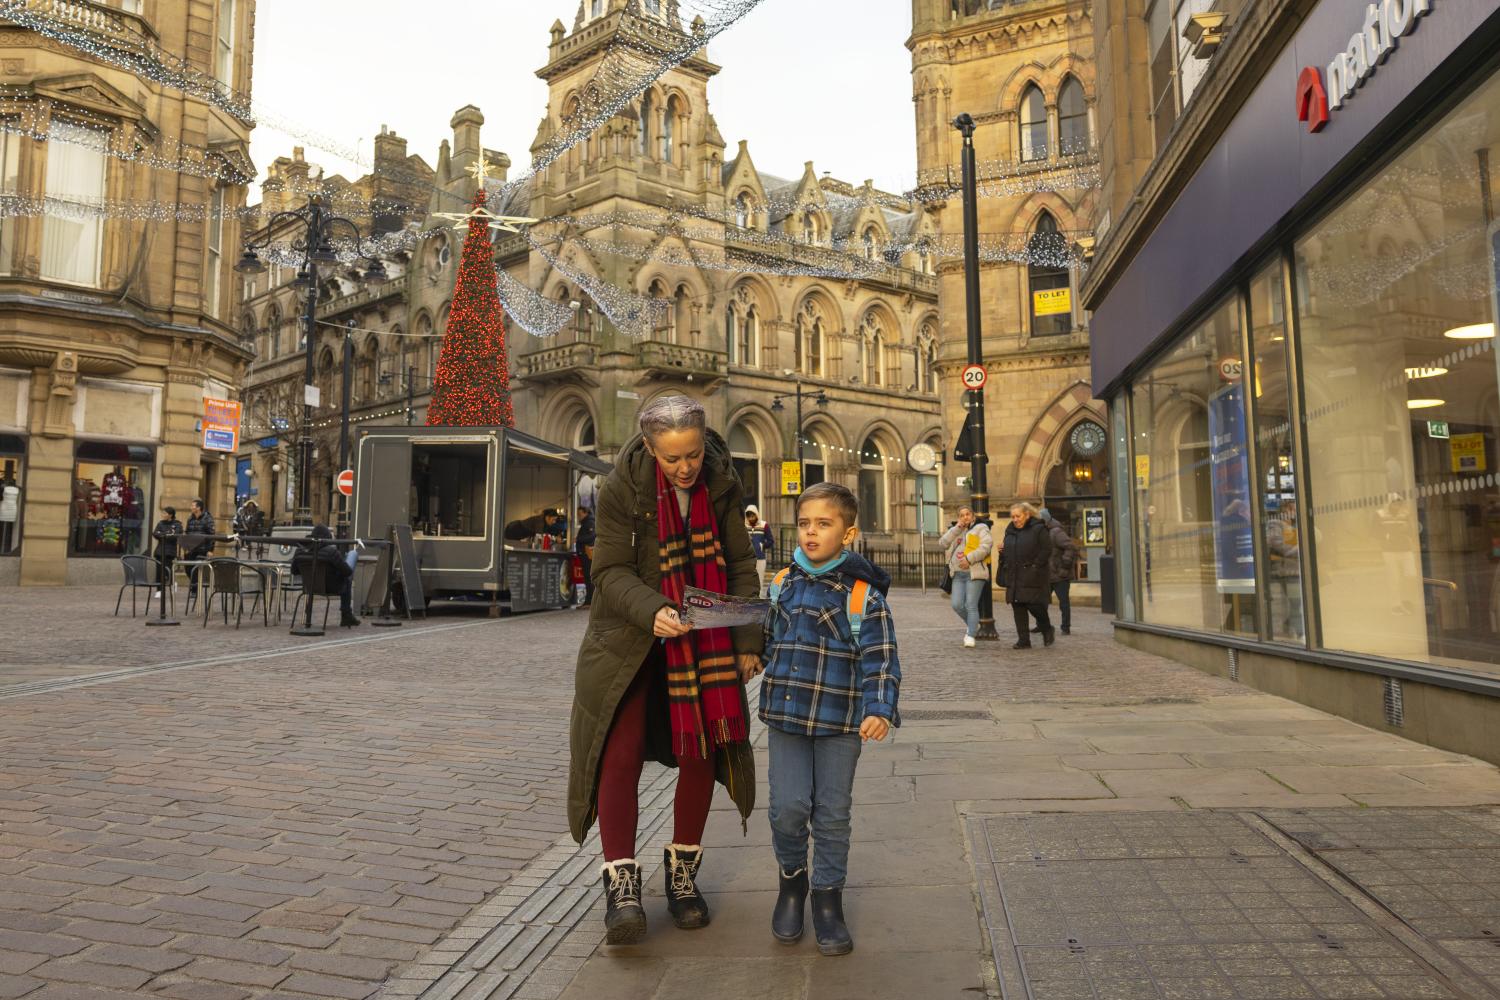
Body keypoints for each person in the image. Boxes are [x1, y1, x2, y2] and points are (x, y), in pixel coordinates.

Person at [566, 396, 761, 945]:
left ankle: (681, 878)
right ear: (650, 447)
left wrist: (748, 638)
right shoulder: (620, 487)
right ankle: (622, 887)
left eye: (693, 454)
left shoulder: (722, 482)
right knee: (619, 755)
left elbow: (740, 563)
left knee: (700, 751)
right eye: (673, 458)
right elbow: (608, 570)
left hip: (704, 639)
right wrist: (653, 609)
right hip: (628, 640)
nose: (685, 467)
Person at [760, 482, 900, 956]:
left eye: (824, 524)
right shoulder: (781, 584)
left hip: (841, 723)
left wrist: (879, 709)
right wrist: (745, 655)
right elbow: (766, 641)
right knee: (788, 809)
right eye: (804, 524)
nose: (811, 533)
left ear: (849, 532)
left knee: (833, 814)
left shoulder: (864, 597)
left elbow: (881, 660)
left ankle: (827, 898)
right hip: (786, 718)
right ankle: (792, 882)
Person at [999, 502, 1054, 648]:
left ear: (1027, 515)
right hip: (1014, 574)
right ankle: (1023, 640)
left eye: (1018, 516)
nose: (1015, 519)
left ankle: (1047, 628)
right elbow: (1008, 550)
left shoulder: (1038, 529)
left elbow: (1047, 549)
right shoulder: (1009, 531)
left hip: (1033, 574)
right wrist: (1002, 552)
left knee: (1034, 605)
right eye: (1013, 517)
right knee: (1018, 607)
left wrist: (1036, 566)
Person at [939, 506, 993, 647]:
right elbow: (943, 543)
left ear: (973, 516)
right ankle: (972, 625)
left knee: (970, 604)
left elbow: (986, 546)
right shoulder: (957, 531)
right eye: (962, 515)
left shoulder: (981, 528)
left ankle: (970, 635)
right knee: (956, 604)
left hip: (974, 573)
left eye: (968, 514)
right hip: (957, 574)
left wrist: (969, 559)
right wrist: (956, 528)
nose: (965, 517)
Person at [290, 524, 360, 627]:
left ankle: (347, 615)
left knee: (345, 575)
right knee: (352, 557)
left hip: (309, 587)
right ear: (328, 539)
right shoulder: (331, 551)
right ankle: (346, 614)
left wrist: (308, 570)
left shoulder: (299, 551)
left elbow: (294, 571)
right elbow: (347, 572)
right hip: (331, 587)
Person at [1037, 508, 1079, 636]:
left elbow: (1070, 548)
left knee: (1063, 603)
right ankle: (1041, 625)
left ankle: (1065, 627)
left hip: (1060, 575)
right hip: (1047, 575)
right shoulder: (1042, 532)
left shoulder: (1056, 532)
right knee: (1041, 602)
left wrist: (1064, 567)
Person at [150, 505, 183, 600]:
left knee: (167, 571)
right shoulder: (160, 523)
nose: (163, 515)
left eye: (165, 513)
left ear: (170, 515)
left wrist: (163, 534)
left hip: (170, 552)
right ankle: (159, 590)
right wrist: (167, 533)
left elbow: (176, 535)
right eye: (163, 513)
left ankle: (173, 583)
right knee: (159, 572)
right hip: (160, 551)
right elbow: (155, 533)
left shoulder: (177, 524)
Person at [744, 504, 775, 597]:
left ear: (756, 514)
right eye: (749, 515)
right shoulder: (744, 526)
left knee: (759, 581)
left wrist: (762, 546)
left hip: (760, 558)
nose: (751, 518)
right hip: (747, 559)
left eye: (753, 515)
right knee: (747, 581)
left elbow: (771, 541)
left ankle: (760, 600)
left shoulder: (763, 525)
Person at [574, 504, 597, 607]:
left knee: (589, 578)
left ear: (585, 512)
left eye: (580, 514)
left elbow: (592, 536)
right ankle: (589, 600)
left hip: (587, 555)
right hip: (585, 554)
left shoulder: (590, 522)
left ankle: (590, 600)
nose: (578, 516)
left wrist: (578, 539)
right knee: (587, 578)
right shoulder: (587, 522)